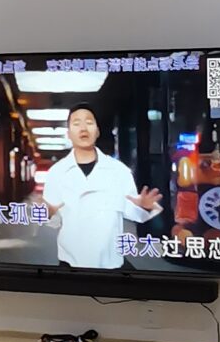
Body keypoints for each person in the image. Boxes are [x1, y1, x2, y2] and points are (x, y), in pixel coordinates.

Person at [41, 103, 162, 269]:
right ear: (68, 133)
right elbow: (52, 221)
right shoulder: (57, 172)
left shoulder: (118, 171)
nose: (83, 128)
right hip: (71, 264)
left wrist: (144, 206)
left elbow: (134, 213)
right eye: (76, 123)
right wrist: (47, 212)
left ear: (97, 131)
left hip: (111, 263)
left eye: (89, 122)